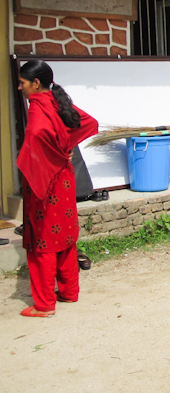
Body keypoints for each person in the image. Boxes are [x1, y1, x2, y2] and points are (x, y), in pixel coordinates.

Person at [17, 60, 98, 317]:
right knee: (64, 233)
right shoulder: (56, 101)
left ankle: (44, 305)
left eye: (22, 83)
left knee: (43, 239)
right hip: (63, 177)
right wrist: (64, 149)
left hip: (44, 180)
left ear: (36, 83)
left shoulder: (38, 105)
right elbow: (88, 122)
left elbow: (37, 135)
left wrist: (50, 155)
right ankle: (69, 292)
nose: (20, 88)